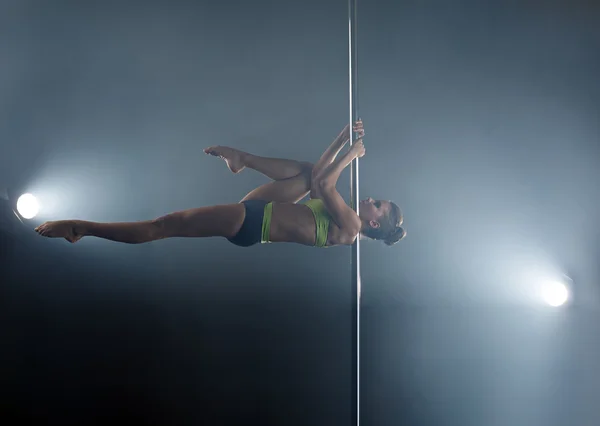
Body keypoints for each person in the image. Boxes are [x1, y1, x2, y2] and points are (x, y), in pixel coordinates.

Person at [35, 120, 406, 247]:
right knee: (308, 172)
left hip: (251, 224)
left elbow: (326, 185)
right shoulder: (348, 219)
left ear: (374, 223)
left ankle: (81, 228)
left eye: (379, 205)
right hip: (261, 211)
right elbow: (319, 177)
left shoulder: (352, 226)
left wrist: (350, 155)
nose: (371, 199)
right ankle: (241, 159)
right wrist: (343, 136)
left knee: (164, 226)